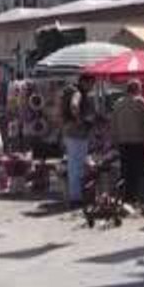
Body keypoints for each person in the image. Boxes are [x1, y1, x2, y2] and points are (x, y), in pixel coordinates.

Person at [111, 79, 144, 204]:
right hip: (137, 141)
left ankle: (126, 196)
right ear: (137, 89)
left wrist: (115, 139)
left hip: (123, 142)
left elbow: (113, 124)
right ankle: (137, 196)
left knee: (126, 170)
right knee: (138, 170)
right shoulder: (140, 101)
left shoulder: (118, 103)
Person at [61, 75, 94, 205]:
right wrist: (80, 121)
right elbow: (74, 106)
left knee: (75, 164)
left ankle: (76, 195)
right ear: (84, 82)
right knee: (77, 165)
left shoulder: (75, 92)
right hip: (77, 133)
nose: (92, 87)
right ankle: (76, 197)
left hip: (71, 132)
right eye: (91, 84)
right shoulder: (78, 93)